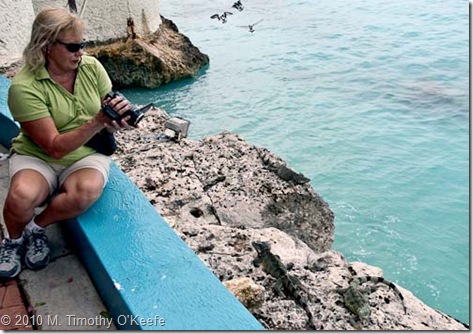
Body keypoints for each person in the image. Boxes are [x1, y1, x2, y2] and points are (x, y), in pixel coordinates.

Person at [0, 7, 135, 278]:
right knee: (20, 196)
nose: (80, 52)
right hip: (39, 155)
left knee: (86, 191)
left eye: (82, 44)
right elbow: (54, 146)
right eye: (73, 46)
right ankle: (12, 240)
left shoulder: (92, 68)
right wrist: (98, 120)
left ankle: (36, 228)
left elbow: (107, 107)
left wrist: (120, 116)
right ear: (46, 46)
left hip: (87, 151)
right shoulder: (24, 87)